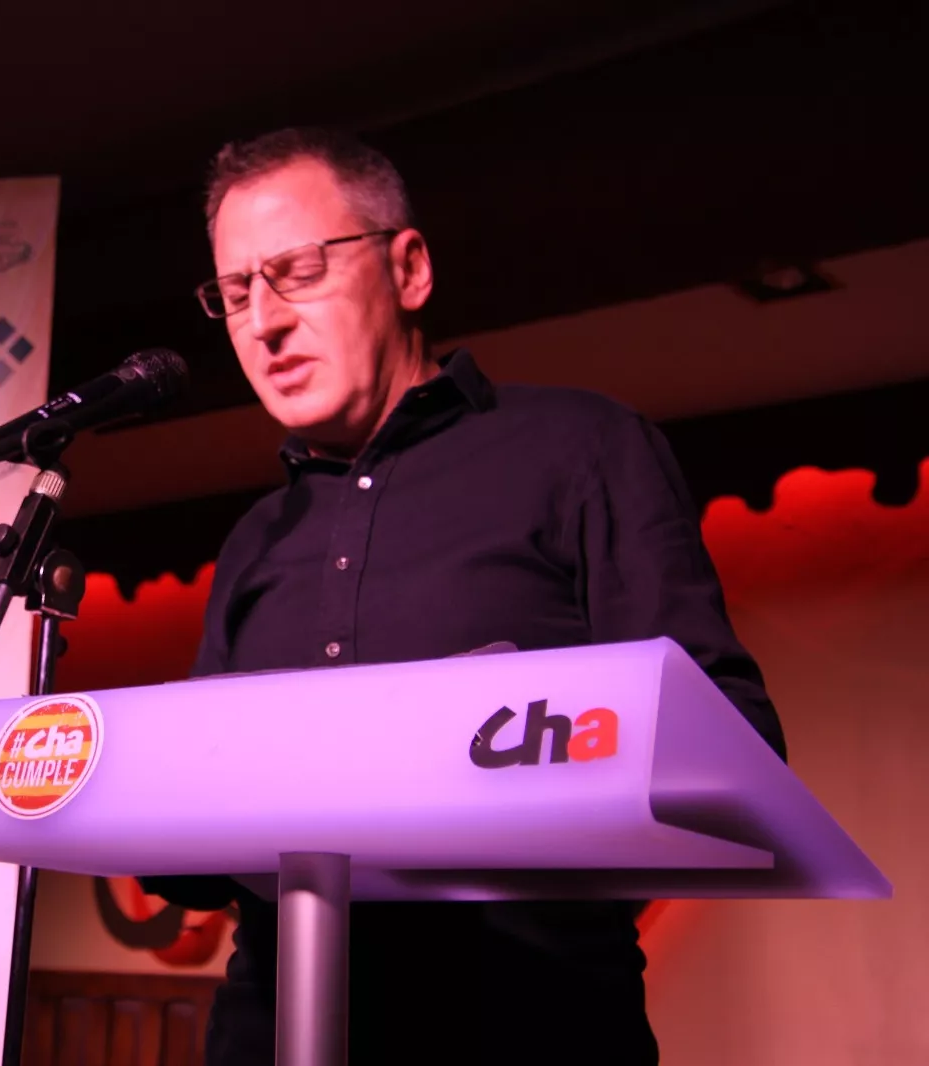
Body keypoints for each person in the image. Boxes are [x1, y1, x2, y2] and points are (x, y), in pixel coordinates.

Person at [139, 127, 787, 1065]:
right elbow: (200, 846)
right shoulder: (257, 539)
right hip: (272, 1037)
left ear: (409, 268)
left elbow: (732, 742)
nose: (263, 322)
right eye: (236, 293)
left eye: (297, 272)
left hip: (525, 1031)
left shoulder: (581, 449)